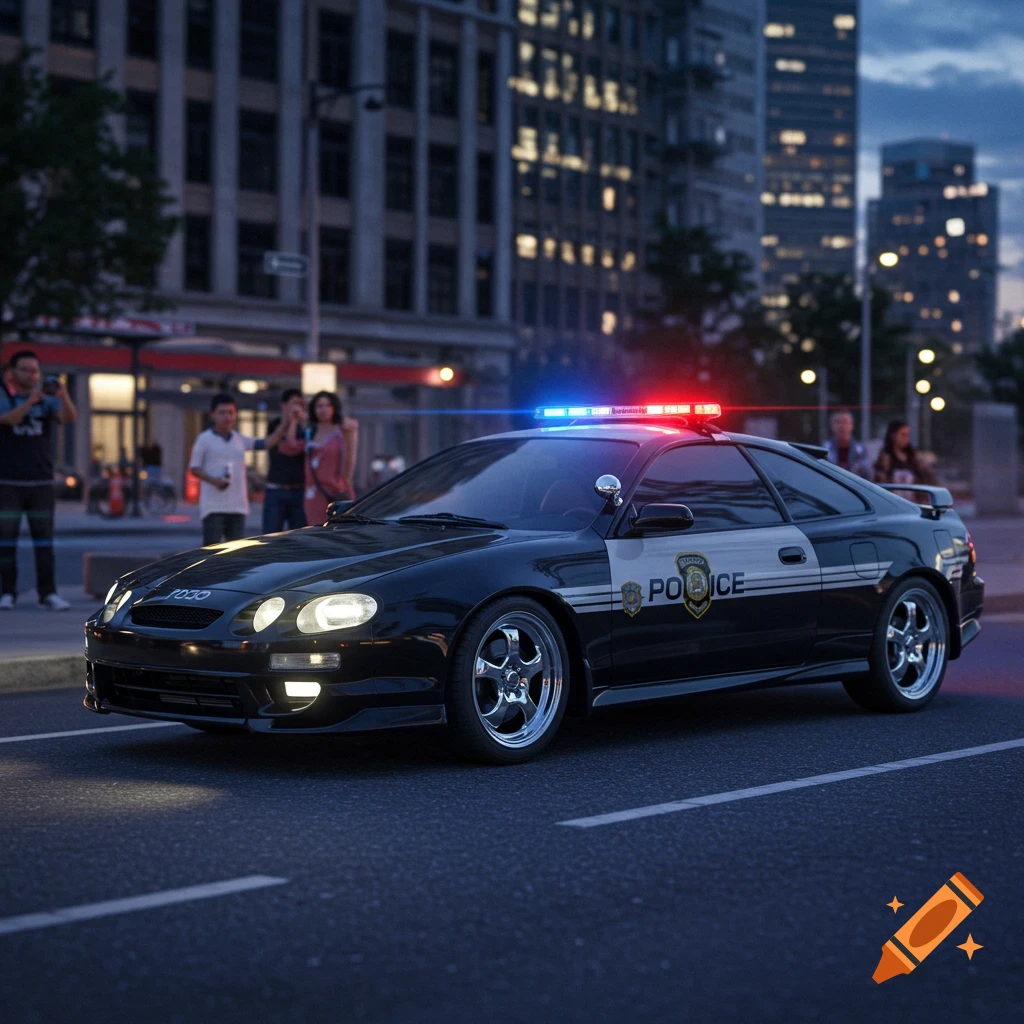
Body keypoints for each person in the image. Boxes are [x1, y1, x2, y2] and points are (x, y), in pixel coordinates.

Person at [0, 350, 78, 610]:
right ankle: (7, 593)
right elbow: (9, 419)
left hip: (41, 481)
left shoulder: (47, 400)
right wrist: (30, 401)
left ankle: (48, 593)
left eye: (35, 370)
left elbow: (70, 418)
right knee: (6, 542)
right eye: (25, 370)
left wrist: (63, 394)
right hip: (8, 481)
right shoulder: (4, 396)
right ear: (11, 372)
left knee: (44, 542)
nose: (32, 375)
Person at [188, 393, 292, 546]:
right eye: (222, 413)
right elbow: (194, 468)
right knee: (211, 552)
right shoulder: (204, 439)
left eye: (231, 413)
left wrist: (285, 424)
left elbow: (266, 443)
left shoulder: (239, 439)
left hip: (237, 507)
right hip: (213, 507)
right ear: (212, 414)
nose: (227, 417)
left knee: (236, 553)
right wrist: (215, 481)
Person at [291, 390, 357, 525]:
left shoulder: (343, 428)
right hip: (313, 492)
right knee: (315, 531)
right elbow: (291, 444)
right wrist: (293, 418)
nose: (323, 410)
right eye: (319, 406)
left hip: (336, 489)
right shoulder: (311, 429)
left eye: (328, 405)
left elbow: (352, 429)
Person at [261, 388, 308, 533]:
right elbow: (279, 443)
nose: (297, 407)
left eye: (300, 403)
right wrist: (289, 421)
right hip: (276, 490)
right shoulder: (274, 425)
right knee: (271, 536)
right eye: (294, 403)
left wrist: (301, 420)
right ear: (284, 404)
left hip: (299, 490)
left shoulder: (305, 428)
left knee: (300, 536)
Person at [874, 419, 937, 503]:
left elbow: (928, 478)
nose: (906, 438)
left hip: (913, 504)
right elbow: (879, 481)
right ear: (893, 435)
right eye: (903, 435)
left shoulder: (913, 457)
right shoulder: (885, 457)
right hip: (892, 503)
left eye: (908, 435)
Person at [822, 410, 871, 478]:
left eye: (845, 422)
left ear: (851, 426)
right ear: (832, 426)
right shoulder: (824, 449)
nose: (841, 426)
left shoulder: (860, 450)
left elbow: (867, 475)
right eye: (838, 422)